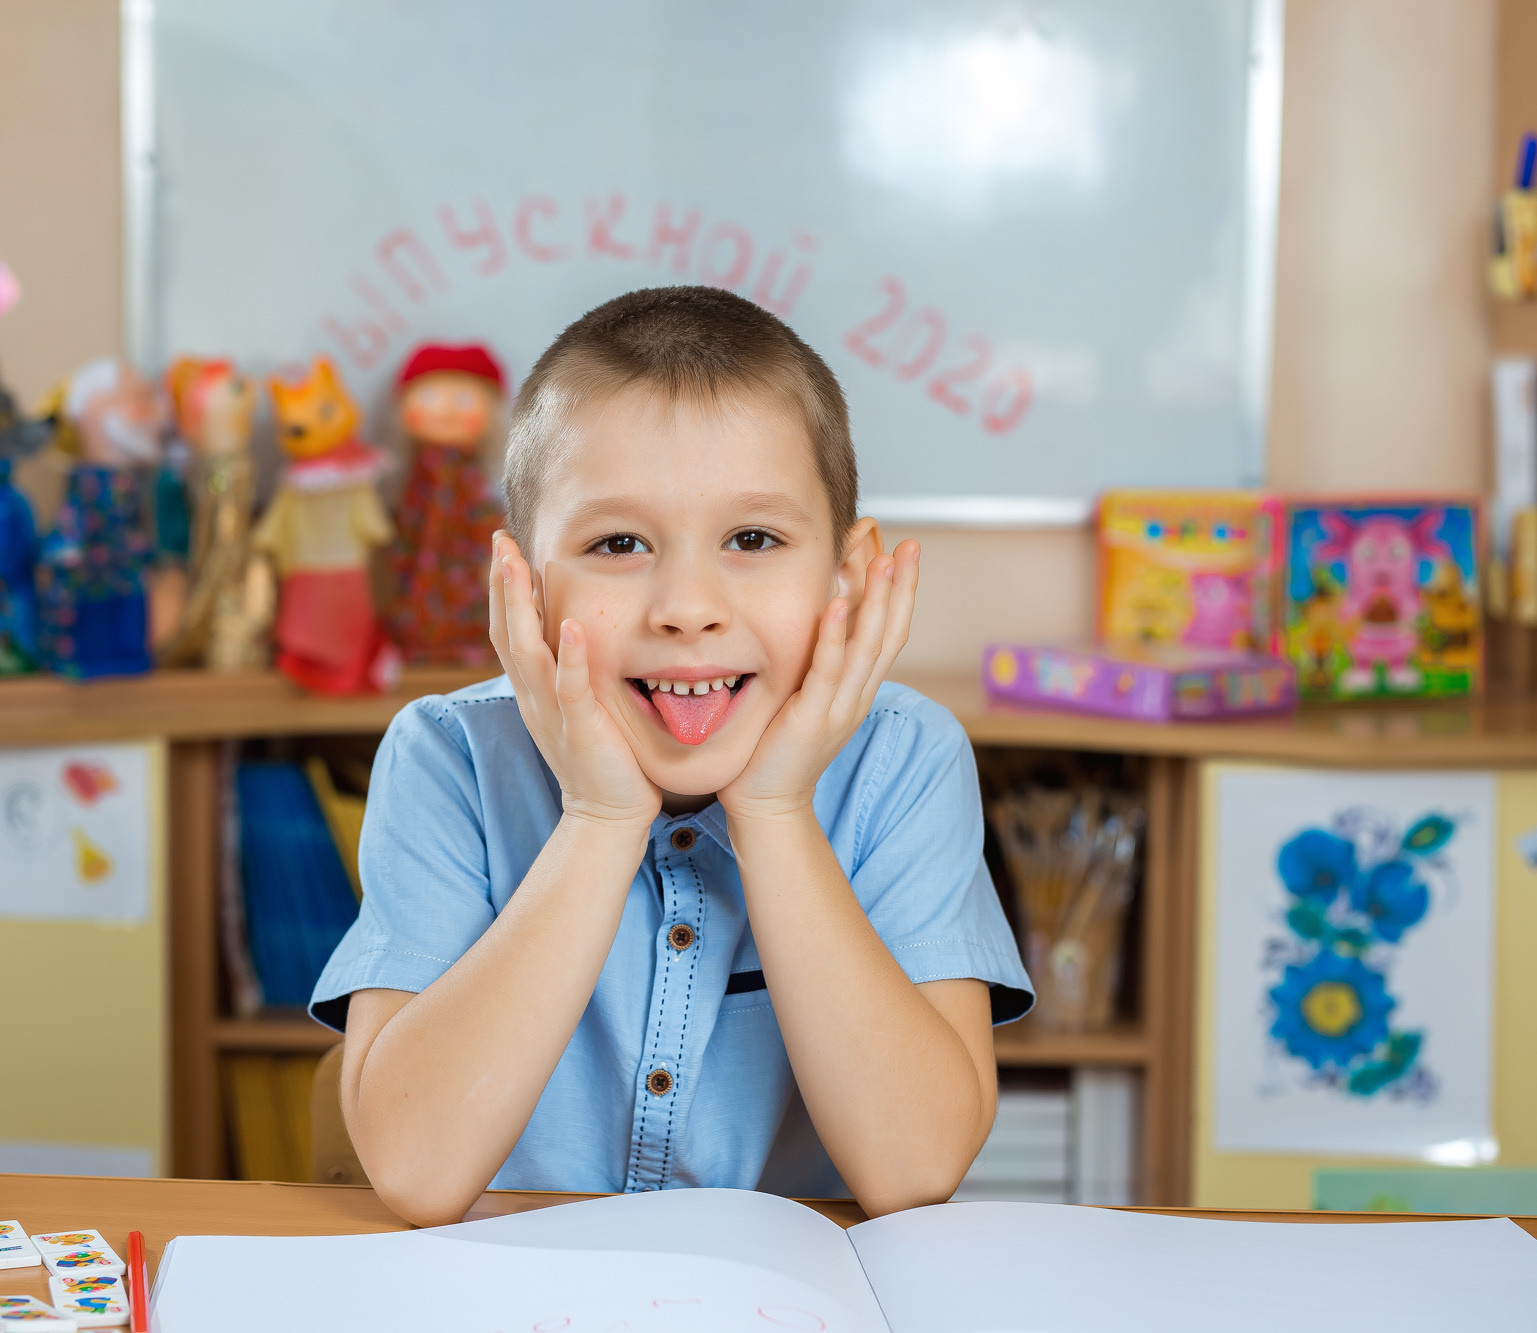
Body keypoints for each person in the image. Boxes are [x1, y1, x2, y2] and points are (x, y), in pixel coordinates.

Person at [309, 286, 1032, 1226]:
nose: (687, 606)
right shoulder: (450, 757)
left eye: (753, 538)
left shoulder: (906, 760)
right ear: (522, 588)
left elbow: (914, 1171)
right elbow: (416, 1168)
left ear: (846, 580)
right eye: (618, 542)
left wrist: (775, 812)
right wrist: (602, 817)